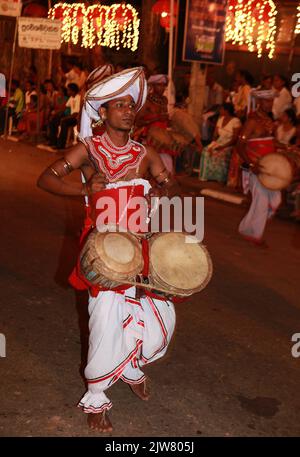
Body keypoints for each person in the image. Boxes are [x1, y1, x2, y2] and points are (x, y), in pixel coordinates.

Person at [37, 67, 178, 432]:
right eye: (119, 105)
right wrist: (85, 191)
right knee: (104, 321)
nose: (128, 111)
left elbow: (165, 186)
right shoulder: (88, 149)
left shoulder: (145, 154)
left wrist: (162, 184)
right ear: (104, 112)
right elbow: (47, 178)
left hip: (139, 245)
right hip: (102, 248)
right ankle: (97, 396)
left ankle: (131, 366)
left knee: (159, 318)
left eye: (132, 105)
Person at [236, 89, 281, 246]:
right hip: (256, 167)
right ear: (260, 102)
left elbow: (271, 142)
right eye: (267, 101)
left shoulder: (270, 121)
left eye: (272, 101)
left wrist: (285, 148)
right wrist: (250, 164)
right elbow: (240, 144)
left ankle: (246, 227)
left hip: (269, 168)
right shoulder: (252, 121)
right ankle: (255, 235)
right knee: (261, 201)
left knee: (276, 200)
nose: (270, 104)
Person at [199, 102, 241, 183]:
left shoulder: (236, 121)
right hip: (220, 141)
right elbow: (215, 135)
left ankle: (220, 177)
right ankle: (207, 176)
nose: (220, 111)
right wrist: (213, 144)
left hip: (229, 143)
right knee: (206, 150)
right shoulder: (220, 119)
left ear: (226, 111)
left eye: (221, 109)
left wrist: (223, 146)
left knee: (220, 152)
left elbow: (234, 139)